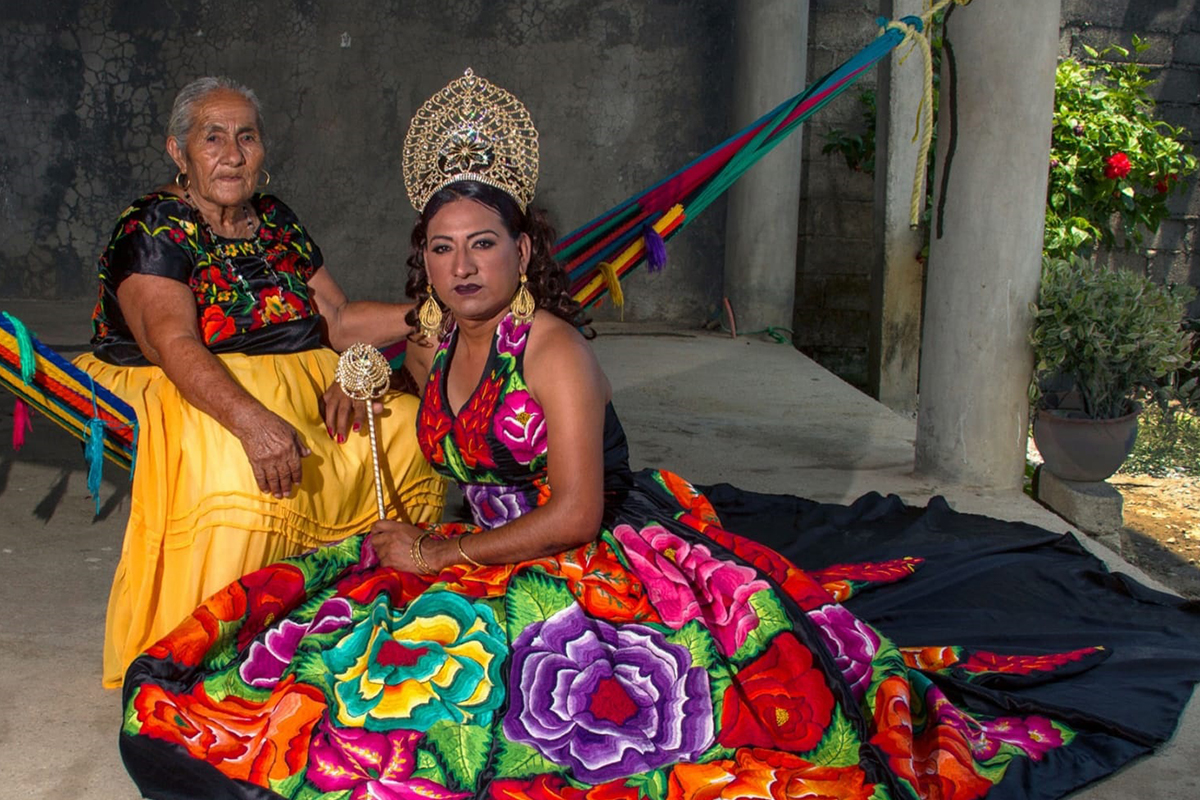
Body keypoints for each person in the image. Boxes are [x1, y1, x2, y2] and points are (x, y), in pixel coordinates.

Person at [117, 70, 1200, 800]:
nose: (461, 266)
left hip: (590, 555)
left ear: (521, 251)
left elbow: (577, 510)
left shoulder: (550, 349)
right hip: (488, 554)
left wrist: (440, 551)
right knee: (314, 667)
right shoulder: (436, 333)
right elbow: (359, 327)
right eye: (442, 247)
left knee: (498, 709)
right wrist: (355, 368)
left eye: (483, 244)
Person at [74, 76, 446, 689]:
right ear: (178, 151)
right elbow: (173, 344)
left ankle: (354, 609)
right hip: (193, 381)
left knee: (401, 426)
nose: (232, 153)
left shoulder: (276, 220)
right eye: (212, 137)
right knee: (230, 461)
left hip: (299, 372)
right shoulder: (154, 227)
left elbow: (338, 320)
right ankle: (218, 646)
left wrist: (428, 311)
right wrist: (251, 420)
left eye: (246, 137)